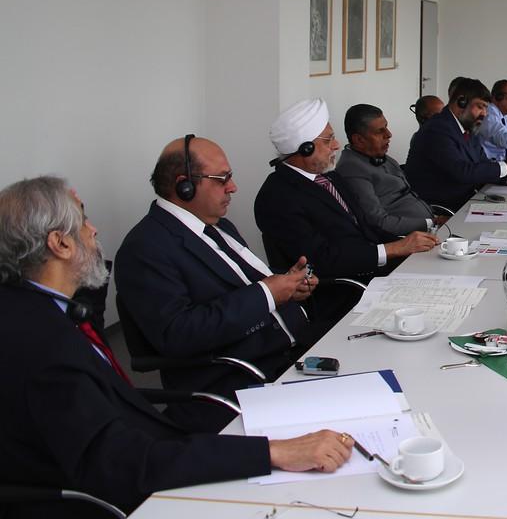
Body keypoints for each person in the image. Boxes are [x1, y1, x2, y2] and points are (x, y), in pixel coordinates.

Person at [0, 176, 352, 517]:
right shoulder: (43, 345)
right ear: (59, 244)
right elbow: (122, 463)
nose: (94, 230)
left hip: (149, 445)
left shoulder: (44, 308)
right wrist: (273, 453)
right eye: (82, 220)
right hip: (123, 494)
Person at [115, 136, 320, 430]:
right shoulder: (144, 248)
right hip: (238, 380)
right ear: (184, 185)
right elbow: (178, 334)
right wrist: (267, 294)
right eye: (222, 179)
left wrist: (289, 286)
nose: (232, 187)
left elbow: (243, 285)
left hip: (294, 351)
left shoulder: (218, 225)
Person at [254, 99, 438, 294]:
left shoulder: (329, 176)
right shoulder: (277, 198)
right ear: (305, 149)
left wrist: (411, 243)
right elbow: (322, 259)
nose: (336, 145)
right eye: (328, 140)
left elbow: (366, 226)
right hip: (345, 290)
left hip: (375, 271)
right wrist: (394, 249)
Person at [406, 78, 507, 210]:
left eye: (486, 108)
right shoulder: (437, 129)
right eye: (480, 107)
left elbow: (482, 164)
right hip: (441, 209)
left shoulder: (467, 128)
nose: (484, 114)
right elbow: (462, 172)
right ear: (461, 102)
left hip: (465, 201)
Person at [336, 103, 448, 240]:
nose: (389, 134)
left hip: (432, 225)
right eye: (380, 131)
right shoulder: (352, 169)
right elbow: (379, 222)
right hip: (410, 239)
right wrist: (431, 223)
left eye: (386, 127)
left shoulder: (378, 155)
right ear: (359, 140)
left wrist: (435, 219)